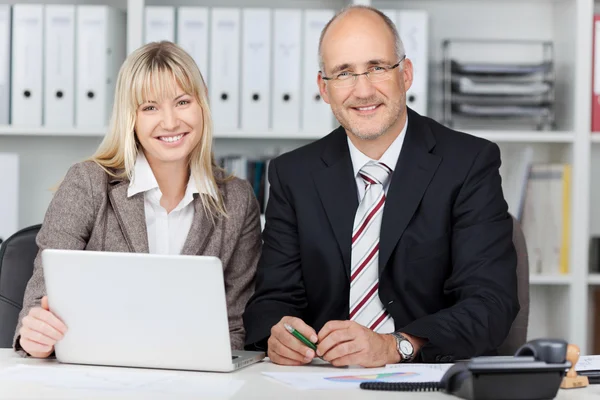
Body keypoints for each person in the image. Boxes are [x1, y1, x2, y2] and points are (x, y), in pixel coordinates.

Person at [243, 5, 519, 367]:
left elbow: (490, 302)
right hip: (319, 381)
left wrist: (396, 345)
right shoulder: (293, 174)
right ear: (323, 88)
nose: (362, 90)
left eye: (376, 68)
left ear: (405, 73)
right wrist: (278, 333)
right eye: (343, 73)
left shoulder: (468, 163)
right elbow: (271, 301)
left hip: (428, 376)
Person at [14, 41, 262, 358]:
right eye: (150, 107)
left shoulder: (237, 200)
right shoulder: (88, 183)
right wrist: (35, 335)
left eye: (183, 102)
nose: (170, 122)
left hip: (193, 378)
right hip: (96, 371)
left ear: (202, 105)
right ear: (129, 117)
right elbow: (42, 296)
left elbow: (232, 327)